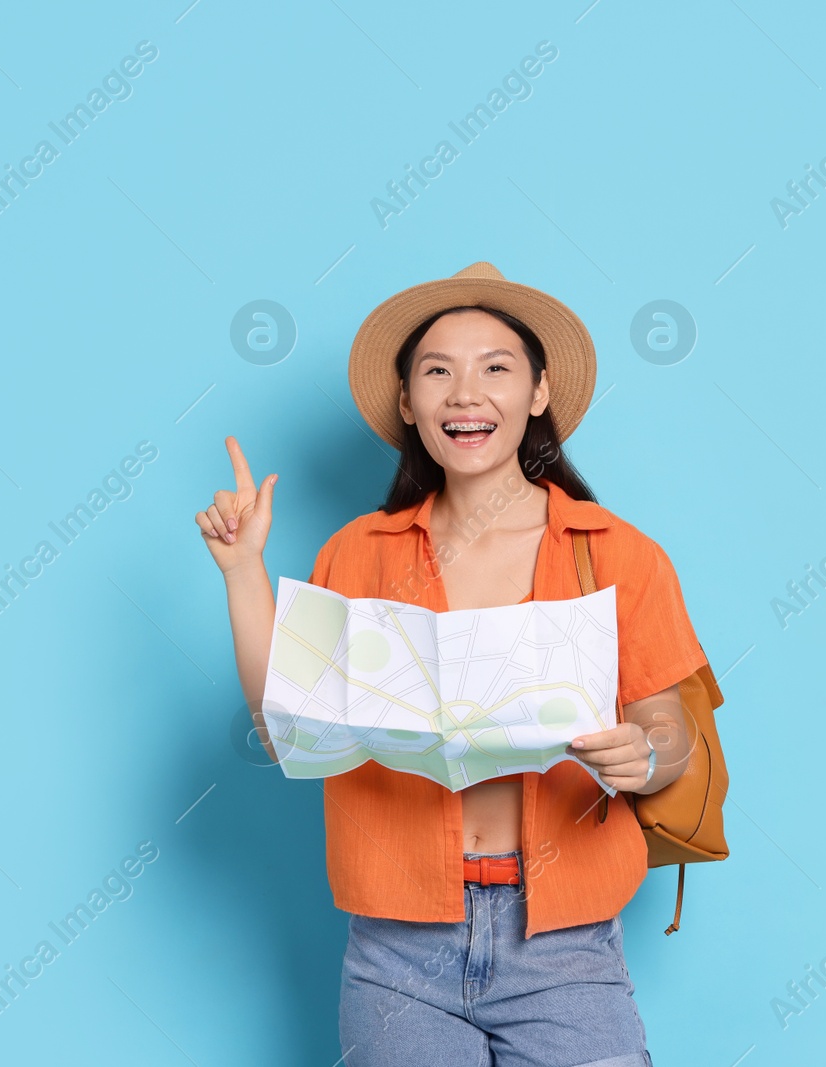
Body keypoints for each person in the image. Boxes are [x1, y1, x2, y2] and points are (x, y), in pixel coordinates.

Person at [195, 262, 710, 1066]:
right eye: (438, 371)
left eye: (495, 368)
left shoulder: (615, 552)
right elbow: (284, 717)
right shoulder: (358, 553)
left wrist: (644, 754)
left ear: (538, 393)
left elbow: (669, 726)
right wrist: (242, 571)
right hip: (398, 951)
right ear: (408, 403)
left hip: (566, 946)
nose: (465, 393)